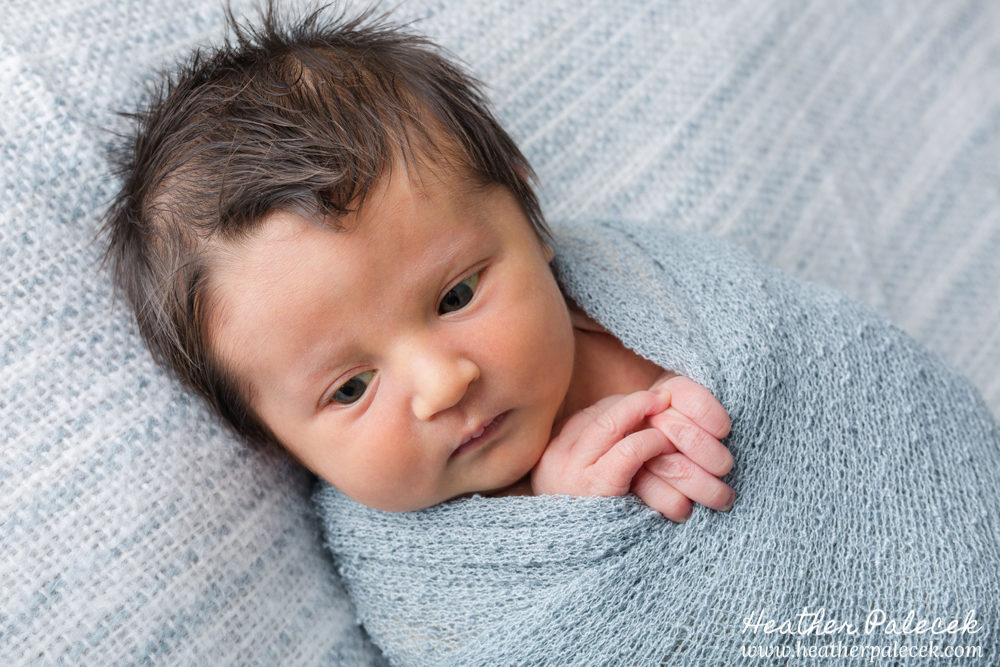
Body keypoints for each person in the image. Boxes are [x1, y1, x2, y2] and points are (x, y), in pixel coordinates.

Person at [102, 4, 736, 523]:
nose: (443, 385)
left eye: (457, 296)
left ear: (527, 214)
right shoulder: (410, 553)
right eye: (350, 388)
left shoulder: (656, 303)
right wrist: (565, 523)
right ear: (274, 440)